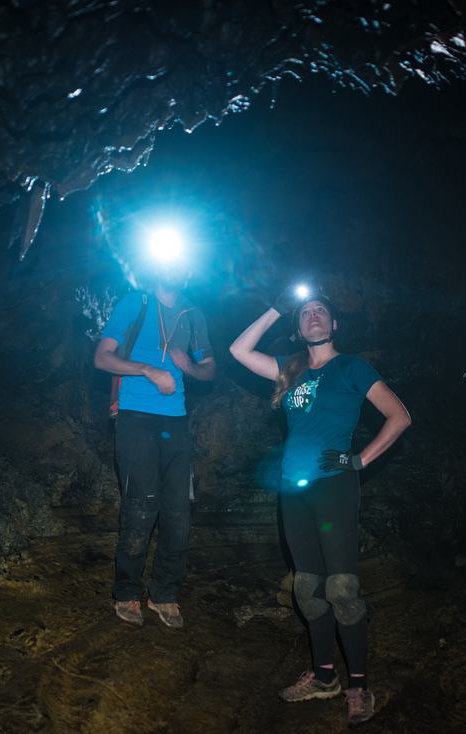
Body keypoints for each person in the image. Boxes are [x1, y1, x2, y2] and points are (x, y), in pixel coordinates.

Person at [229, 287, 411, 725]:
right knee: (307, 590)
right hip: (293, 489)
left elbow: (400, 416)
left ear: (334, 324)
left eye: (321, 311)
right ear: (298, 327)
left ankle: (358, 686)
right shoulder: (289, 369)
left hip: (334, 486)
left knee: (342, 589)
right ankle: (324, 675)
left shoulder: (351, 367)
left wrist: (360, 460)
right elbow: (238, 350)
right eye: (305, 312)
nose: (313, 315)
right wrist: (277, 307)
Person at [93, 266, 215, 629]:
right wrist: (148, 370)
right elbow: (102, 357)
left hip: (175, 422)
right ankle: (127, 591)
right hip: (135, 418)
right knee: (140, 506)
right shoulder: (136, 303)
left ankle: (164, 593)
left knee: (178, 513)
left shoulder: (193, 315)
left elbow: (209, 369)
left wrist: (188, 366)